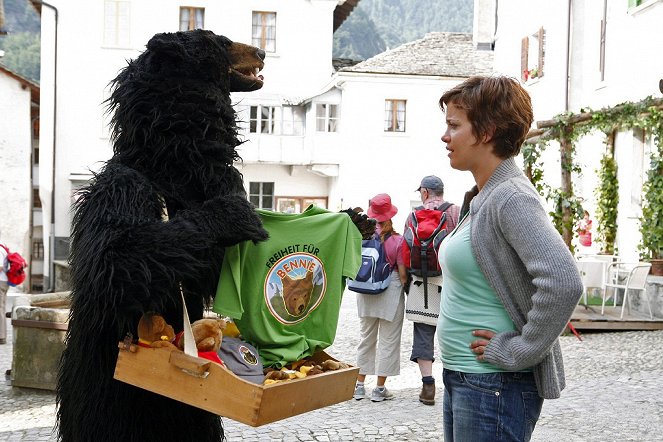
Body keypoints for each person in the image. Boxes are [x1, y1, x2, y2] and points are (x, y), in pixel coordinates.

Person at [437, 76, 583, 441]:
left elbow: (564, 281)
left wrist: (521, 350)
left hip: (494, 384)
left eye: (454, 126)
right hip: (469, 378)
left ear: (486, 131)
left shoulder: (510, 197)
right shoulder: (484, 195)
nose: (445, 136)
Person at [405, 175, 459, 405]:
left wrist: (407, 283)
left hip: (421, 282)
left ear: (425, 192)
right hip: (451, 282)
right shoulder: (456, 212)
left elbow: (404, 252)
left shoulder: (413, 216)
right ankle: (457, 384)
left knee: (423, 333)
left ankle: (428, 387)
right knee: (454, 331)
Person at [353, 193, 408, 402]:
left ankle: (359, 385)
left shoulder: (363, 238)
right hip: (390, 290)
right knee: (389, 340)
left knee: (366, 339)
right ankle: (379, 389)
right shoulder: (397, 240)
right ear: (390, 216)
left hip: (365, 291)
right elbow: (402, 274)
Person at [0, 235, 7, 345]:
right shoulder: (3, 249)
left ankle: (1, 337)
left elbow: (0, 267)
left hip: (0, 281)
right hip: (3, 281)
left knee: (0, 308)